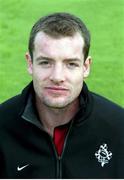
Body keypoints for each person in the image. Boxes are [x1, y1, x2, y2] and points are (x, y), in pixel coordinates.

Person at [0, 12, 124, 179]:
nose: (57, 77)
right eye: (45, 62)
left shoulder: (119, 128)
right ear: (30, 63)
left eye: (71, 64)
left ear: (86, 67)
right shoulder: (2, 126)